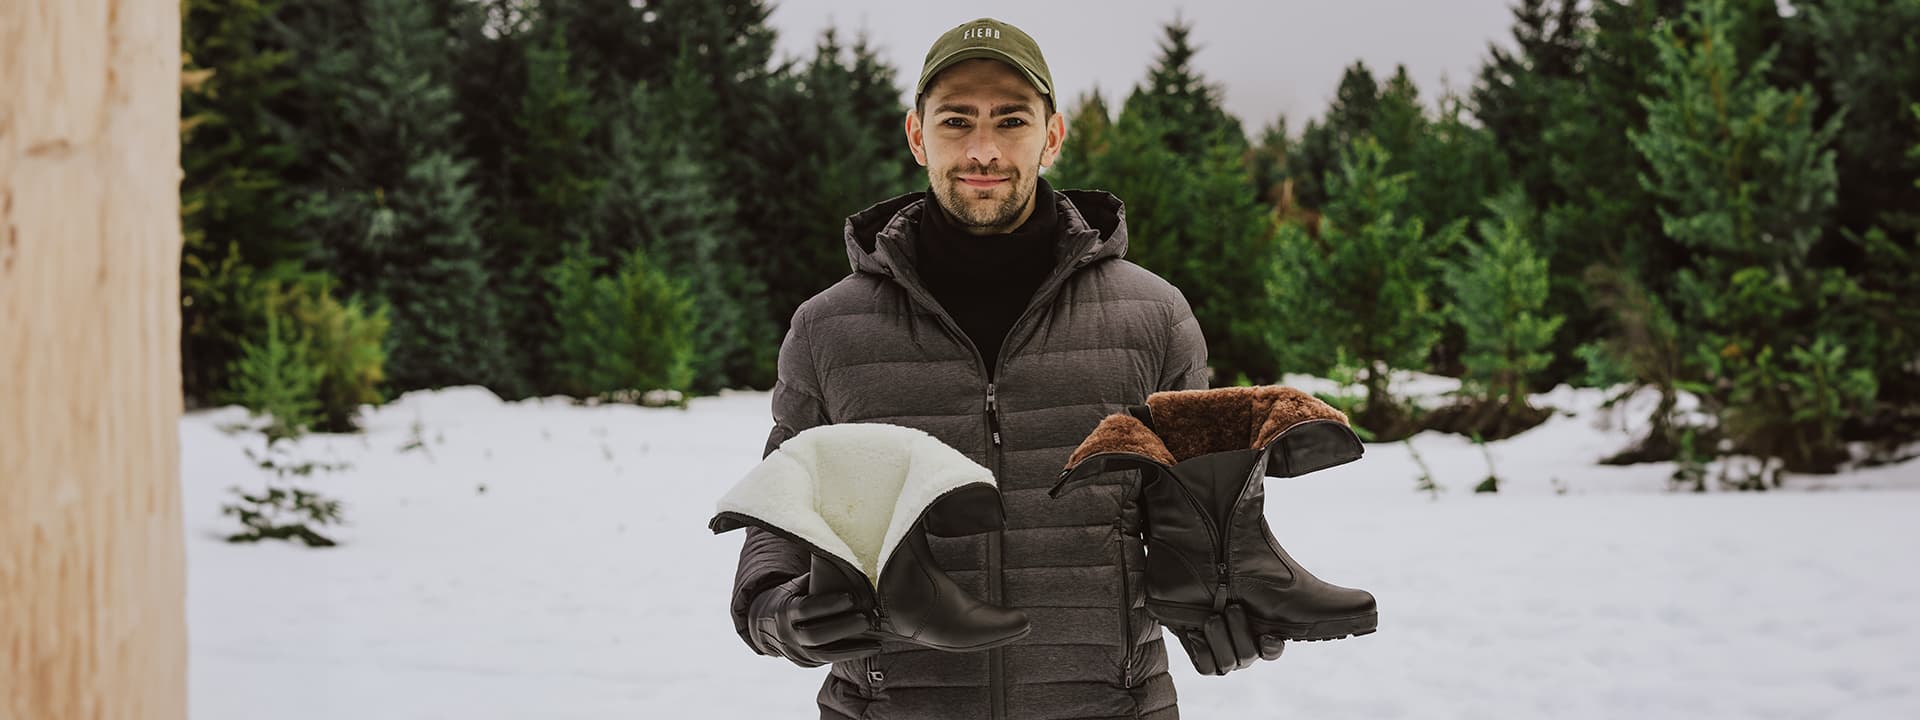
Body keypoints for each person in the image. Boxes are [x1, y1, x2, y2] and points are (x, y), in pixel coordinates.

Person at [728, 17, 1283, 719]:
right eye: (957, 120)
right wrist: (776, 610)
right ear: (916, 135)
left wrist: (1225, 595)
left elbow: (1196, 518)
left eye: (1011, 120)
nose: (983, 149)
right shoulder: (829, 327)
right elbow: (780, 507)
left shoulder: (1152, 315)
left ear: (1052, 135)